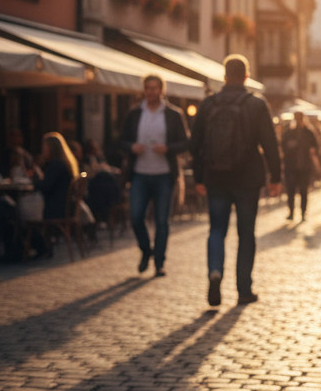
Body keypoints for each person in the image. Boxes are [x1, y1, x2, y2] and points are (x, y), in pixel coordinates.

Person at [189, 55, 281, 306]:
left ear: (224, 76)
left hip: (215, 177)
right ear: (246, 76)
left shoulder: (208, 104)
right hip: (247, 178)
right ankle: (243, 289)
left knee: (217, 229)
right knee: (246, 234)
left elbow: (194, 144)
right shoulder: (256, 104)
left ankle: (215, 272)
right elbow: (270, 143)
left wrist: (198, 177)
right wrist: (276, 177)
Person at [119, 75, 189, 277]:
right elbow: (121, 140)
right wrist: (132, 147)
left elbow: (185, 142)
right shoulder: (134, 113)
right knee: (136, 216)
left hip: (164, 175)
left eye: (154, 88)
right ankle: (145, 250)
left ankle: (159, 262)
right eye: (147, 88)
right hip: (139, 174)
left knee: (161, 221)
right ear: (144, 90)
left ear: (161, 90)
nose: (151, 92)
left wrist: (168, 148)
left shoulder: (173, 114)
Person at [281, 111, 320, 221]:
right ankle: (292, 211)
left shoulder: (308, 132)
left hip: (304, 167)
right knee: (291, 190)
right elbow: (283, 147)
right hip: (291, 167)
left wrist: (313, 150)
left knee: (303, 191)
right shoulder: (289, 132)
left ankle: (302, 212)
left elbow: (316, 146)